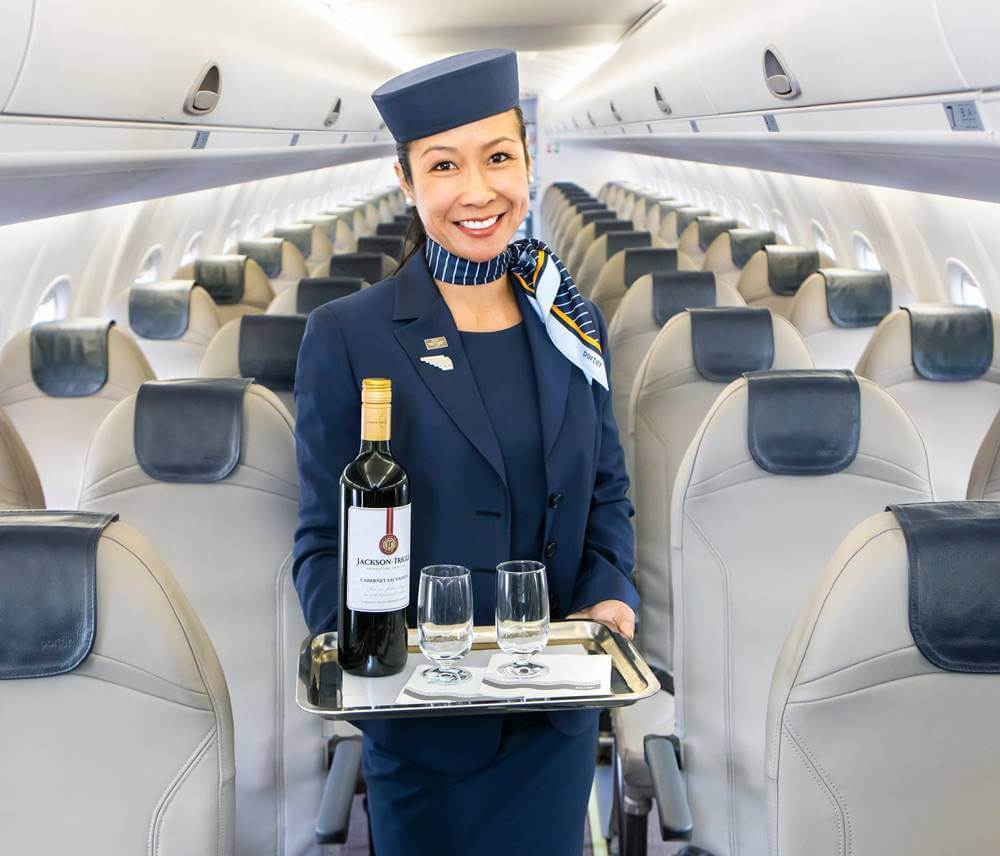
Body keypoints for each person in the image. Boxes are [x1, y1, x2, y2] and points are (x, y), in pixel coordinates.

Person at [292, 49, 638, 856]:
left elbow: (609, 492)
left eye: (499, 157)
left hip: (553, 714)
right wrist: (372, 676)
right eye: (445, 165)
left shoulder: (570, 321)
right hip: (423, 726)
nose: (479, 191)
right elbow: (320, 538)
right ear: (406, 181)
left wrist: (609, 594)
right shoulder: (349, 335)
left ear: (529, 160)